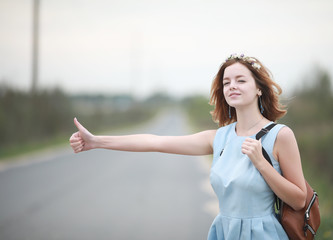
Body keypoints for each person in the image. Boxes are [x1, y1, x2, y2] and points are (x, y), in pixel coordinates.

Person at [69, 53, 307, 240]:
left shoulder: (280, 136)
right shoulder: (219, 138)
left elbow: (299, 200)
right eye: (226, 82)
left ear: (258, 89)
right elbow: (155, 142)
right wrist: (96, 141)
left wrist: (262, 165)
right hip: (223, 233)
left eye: (240, 80)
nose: (232, 86)